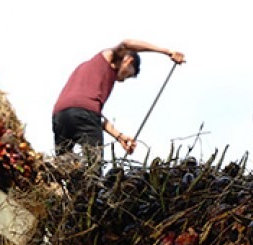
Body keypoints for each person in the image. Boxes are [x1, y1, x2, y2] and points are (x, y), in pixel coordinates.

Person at [51, 40, 186, 159]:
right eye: (128, 75)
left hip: (60, 116)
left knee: (64, 169)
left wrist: (119, 136)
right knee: (93, 165)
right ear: (128, 60)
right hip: (84, 114)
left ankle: (64, 162)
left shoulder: (91, 71)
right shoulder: (107, 57)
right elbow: (126, 43)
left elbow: (96, 115)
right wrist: (167, 52)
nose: (121, 80)